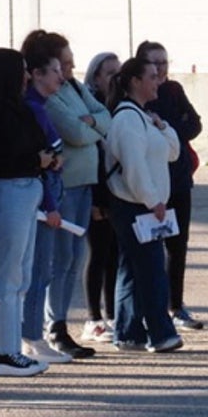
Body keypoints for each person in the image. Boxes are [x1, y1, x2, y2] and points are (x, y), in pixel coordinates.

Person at [0, 48, 58, 377]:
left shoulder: (16, 108)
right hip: (8, 193)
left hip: (24, 192)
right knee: (7, 277)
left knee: (19, 275)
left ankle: (13, 347)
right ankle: (4, 354)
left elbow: (34, 142)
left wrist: (45, 158)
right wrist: (38, 160)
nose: (26, 76)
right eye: (21, 70)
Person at [103, 56, 183, 353]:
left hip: (145, 204)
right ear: (135, 81)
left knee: (133, 269)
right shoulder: (126, 118)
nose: (158, 80)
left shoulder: (144, 116)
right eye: (151, 75)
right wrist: (153, 201)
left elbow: (173, 152)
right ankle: (160, 333)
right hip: (135, 205)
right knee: (151, 270)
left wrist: (162, 126)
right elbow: (134, 166)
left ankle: (128, 332)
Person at [42, 40, 111, 358]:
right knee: (59, 260)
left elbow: (103, 116)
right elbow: (75, 133)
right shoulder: (51, 96)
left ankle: (60, 322)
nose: (69, 70)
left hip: (86, 183)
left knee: (73, 260)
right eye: (64, 64)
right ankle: (52, 325)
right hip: (64, 186)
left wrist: (93, 123)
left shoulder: (73, 88)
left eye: (70, 64)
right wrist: (93, 125)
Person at [135, 41, 203, 331]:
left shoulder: (173, 90)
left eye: (165, 62)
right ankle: (147, 308)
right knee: (149, 247)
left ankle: (176, 305)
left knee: (178, 246)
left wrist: (168, 128)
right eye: (155, 63)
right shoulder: (140, 94)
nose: (162, 68)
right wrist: (169, 130)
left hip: (178, 180)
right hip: (151, 182)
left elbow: (195, 124)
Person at [19, 30, 73, 366]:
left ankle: (33, 333)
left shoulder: (41, 106)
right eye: (55, 69)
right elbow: (43, 161)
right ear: (37, 73)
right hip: (41, 197)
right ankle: (31, 337)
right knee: (37, 269)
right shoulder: (32, 108)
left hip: (49, 189)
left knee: (43, 267)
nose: (61, 76)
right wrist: (50, 207)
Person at [79, 51, 121, 344]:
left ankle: (114, 315)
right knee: (98, 253)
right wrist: (95, 201)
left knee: (114, 256)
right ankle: (93, 318)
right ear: (96, 76)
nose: (115, 79)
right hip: (95, 187)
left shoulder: (118, 104)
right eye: (110, 73)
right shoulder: (89, 104)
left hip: (117, 189)